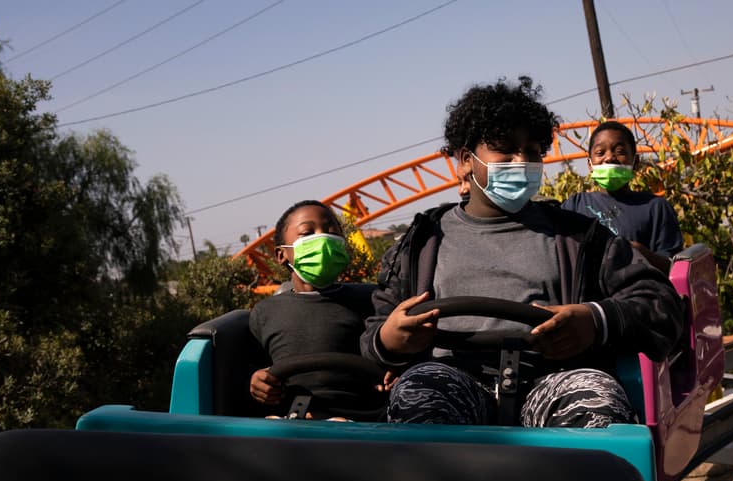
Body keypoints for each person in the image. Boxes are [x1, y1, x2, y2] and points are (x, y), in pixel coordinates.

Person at [361, 76, 684, 428]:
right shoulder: (422, 242)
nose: (522, 161)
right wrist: (389, 340)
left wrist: (594, 320)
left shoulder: (579, 236)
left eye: (532, 151)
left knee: (596, 407)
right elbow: (375, 332)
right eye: (506, 148)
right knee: (418, 396)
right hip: (452, 379)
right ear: (465, 161)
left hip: (555, 379)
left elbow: (660, 302)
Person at [248, 199, 387, 420]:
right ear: (281, 254)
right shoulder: (264, 312)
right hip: (293, 420)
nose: (322, 238)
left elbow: (389, 353)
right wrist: (258, 381)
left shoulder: (371, 299)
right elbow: (255, 371)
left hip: (362, 419)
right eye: (307, 233)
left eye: (331, 231)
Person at [561, 119, 684, 275]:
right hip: (586, 298)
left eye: (620, 152)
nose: (609, 157)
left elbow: (674, 269)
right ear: (590, 164)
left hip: (639, 296)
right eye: (600, 152)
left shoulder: (655, 207)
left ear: (636, 161)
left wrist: (638, 252)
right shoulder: (574, 205)